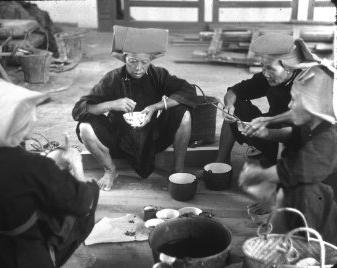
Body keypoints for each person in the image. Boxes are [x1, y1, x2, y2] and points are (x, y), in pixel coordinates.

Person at [0, 77, 99, 268]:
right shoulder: (35, 166)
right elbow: (82, 203)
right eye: (28, 113)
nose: (34, 117)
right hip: (26, 256)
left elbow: (10, 179)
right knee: (91, 190)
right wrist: (76, 165)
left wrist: (48, 163)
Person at [72, 26, 198, 191]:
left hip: (152, 136)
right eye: (132, 62)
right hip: (118, 137)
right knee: (85, 126)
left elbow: (187, 91)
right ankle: (110, 170)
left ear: (150, 61)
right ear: (125, 59)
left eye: (144, 62)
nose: (138, 68)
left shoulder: (158, 75)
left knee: (184, 114)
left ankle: (178, 168)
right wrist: (111, 104)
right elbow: (78, 110)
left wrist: (155, 107)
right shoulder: (112, 78)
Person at [239, 64, 337, 245]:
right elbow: (294, 134)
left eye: (295, 100)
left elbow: (292, 170)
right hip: (314, 197)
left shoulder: (330, 137)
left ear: (312, 104)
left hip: (328, 208)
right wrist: (268, 134)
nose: (290, 105)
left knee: (301, 189)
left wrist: (256, 175)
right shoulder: (316, 122)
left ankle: (315, 248)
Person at [215, 33, 319, 166]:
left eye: (270, 68)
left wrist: (267, 127)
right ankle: (221, 162)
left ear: (288, 68)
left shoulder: (308, 82)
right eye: (262, 66)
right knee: (237, 108)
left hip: (297, 136)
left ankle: (275, 161)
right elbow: (235, 91)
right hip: (271, 127)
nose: (265, 73)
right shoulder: (267, 76)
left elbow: (301, 119)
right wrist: (229, 105)